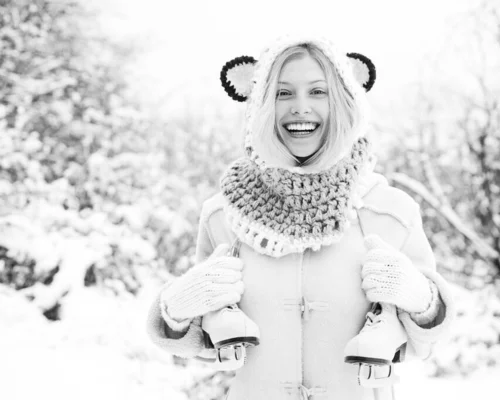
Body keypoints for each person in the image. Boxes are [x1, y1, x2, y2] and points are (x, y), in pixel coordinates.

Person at [146, 35, 455, 400]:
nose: (300, 107)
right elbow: (207, 347)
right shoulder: (223, 215)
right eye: (283, 93)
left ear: (343, 100)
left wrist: (421, 300)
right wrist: (177, 310)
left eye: (318, 92)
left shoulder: (391, 211)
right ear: (260, 104)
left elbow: (426, 344)